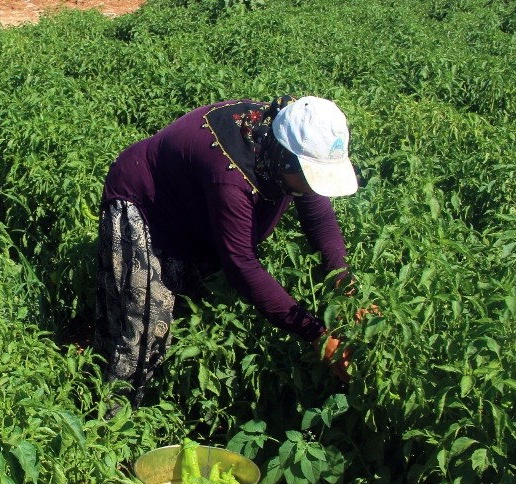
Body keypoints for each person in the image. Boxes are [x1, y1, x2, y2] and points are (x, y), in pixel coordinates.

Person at [94, 95, 359, 407]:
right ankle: (112, 423)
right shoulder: (231, 176)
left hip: (193, 207)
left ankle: (160, 398)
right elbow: (242, 265)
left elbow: (319, 219)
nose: (310, 187)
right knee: (145, 323)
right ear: (283, 159)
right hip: (145, 202)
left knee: (188, 305)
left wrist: (346, 288)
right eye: (305, 178)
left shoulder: (284, 147)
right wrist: (316, 334)